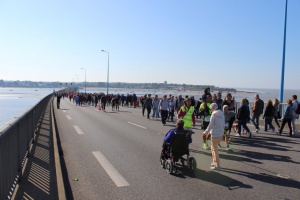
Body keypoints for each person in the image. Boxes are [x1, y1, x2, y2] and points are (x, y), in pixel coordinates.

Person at [203, 103, 225, 170]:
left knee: (214, 151)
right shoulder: (222, 114)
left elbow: (211, 125)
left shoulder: (213, 115)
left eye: (211, 109)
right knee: (213, 149)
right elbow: (223, 124)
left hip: (215, 135)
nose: (211, 110)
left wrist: (206, 132)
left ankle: (217, 165)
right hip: (220, 134)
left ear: (213, 108)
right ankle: (214, 161)